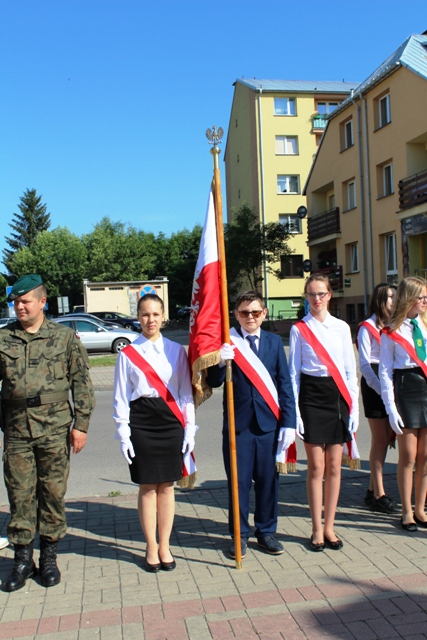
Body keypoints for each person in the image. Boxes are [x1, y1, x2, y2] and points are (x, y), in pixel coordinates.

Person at [0, 274, 95, 591]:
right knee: (20, 496)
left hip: (54, 430)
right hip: (16, 430)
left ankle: (49, 558)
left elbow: (82, 384)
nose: (20, 307)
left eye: (25, 301)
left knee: (52, 494)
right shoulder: (3, 339)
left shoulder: (64, 338)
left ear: (42, 302)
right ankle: (23, 561)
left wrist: (80, 425)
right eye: (16, 302)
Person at [206, 290, 296, 559]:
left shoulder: (273, 342)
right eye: (244, 312)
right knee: (239, 484)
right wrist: (220, 362)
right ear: (236, 314)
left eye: (256, 312)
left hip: (269, 425)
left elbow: (284, 385)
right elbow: (213, 382)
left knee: (268, 482)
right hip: (239, 427)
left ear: (264, 314)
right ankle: (239, 535)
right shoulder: (228, 342)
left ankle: (266, 532)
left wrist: (289, 423)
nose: (250, 317)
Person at [113, 294, 197, 572]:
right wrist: (123, 433)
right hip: (142, 423)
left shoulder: (176, 350)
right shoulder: (127, 353)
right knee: (148, 486)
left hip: (171, 422)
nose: (151, 320)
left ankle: (165, 546)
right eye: (145, 314)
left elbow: (185, 393)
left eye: (156, 314)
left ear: (164, 317)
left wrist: (190, 429)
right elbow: (120, 398)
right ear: (138, 317)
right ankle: (151, 546)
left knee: (167, 486)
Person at [289, 274, 359, 552]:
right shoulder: (299, 329)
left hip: (337, 397)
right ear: (306, 297)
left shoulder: (341, 327)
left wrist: (354, 407)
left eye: (321, 294)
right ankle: (316, 528)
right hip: (311, 397)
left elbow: (350, 371)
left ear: (329, 295)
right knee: (316, 467)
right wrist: (296, 411)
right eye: (311, 294)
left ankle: (330, 526)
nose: (316, 299)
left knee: (334, 466)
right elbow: (293, 374)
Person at [379, 276, 427, 531]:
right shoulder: (391, 331)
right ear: (408, 298)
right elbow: (385, 372)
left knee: (425, 456)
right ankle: (406, 511)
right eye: (421, 297)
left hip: (426, 387)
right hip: (406, 389)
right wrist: (391, 408)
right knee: (408, 455)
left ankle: (420, 509)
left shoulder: (426, 325)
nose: (425, 301)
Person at [357, 283, 398, 513]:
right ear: (380, 299)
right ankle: (379, 493)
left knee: (386, 440)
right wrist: (382, 391)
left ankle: (372, 490)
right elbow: (364, 365)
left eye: (395, 296)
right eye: (390, 297)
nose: (393, 300)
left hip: (390, 382)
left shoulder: (394, 326)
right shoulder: (367, 327)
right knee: (380, 440)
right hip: (375, 385)